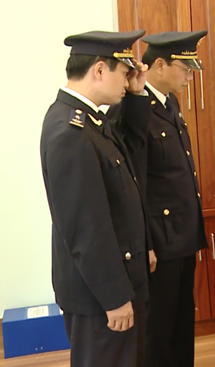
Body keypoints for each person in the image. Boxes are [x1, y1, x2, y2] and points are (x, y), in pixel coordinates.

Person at [40, 30, 153, 367]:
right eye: (124, 73)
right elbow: (85, 228)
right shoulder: (71, 131)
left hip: (111, 283)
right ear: (100, 70)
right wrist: (114, 297)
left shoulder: (88, 118)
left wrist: (136, 94)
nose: (128, 81)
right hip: (99, 297)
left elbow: (130, 148)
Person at [132, 31, 207, 367]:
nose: (190, 76)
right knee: (159, 329)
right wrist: (144, 242)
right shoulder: (137, 109)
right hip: (159, 240)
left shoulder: (169, 102)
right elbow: (136, 183)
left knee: (181, 322)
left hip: (182, 234)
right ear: (159, 65)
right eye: (185, 68)